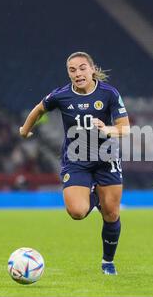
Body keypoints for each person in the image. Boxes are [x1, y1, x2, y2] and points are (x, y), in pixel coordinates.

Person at [19, 52, 130, 275]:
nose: (77, 73)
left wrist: (107, 129)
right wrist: (25, 129)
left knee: (111, 214)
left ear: (91, 69)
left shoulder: (109, 94)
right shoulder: (61, 95)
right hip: (76, 159)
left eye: (81, 68)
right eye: (72, 70)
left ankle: (107, 262)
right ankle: (96, 195)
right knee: (77, 212)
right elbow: (40, 108)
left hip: (106, 159)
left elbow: (124, 128)